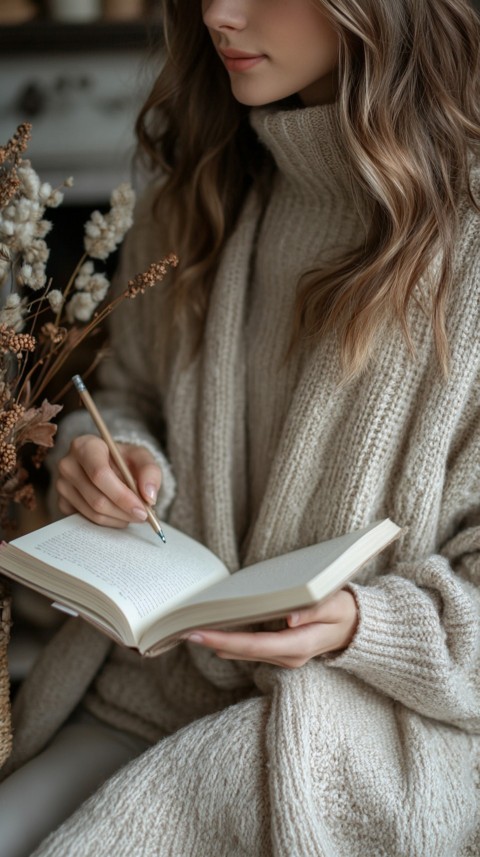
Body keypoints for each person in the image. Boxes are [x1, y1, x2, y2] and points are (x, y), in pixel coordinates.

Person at [1, 0, 480, 854]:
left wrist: (366, 624)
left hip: (364, 714)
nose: (220, 12)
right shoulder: (202, 186)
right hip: (149, 688)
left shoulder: (467, 244)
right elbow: (129, 395)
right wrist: (104, 453)